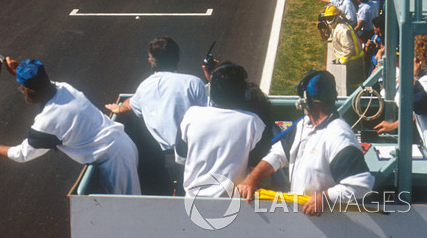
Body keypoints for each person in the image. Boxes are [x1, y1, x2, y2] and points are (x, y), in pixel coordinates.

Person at [0, 58, 140, 195]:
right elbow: (41, 82)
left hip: (116, 163)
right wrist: (19, 72)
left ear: (29, 92)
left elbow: (22, 154)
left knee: (128, 216)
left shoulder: (46, 122)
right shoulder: (65, 87)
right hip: (124, 144)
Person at [236, 71, 374, 216]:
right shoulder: (304, 124)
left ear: (307, 101)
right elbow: (278, 155)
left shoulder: (339, 137)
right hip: (301, 216)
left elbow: (361, 184)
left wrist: (325, 197)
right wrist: (252, 179)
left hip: (327, 221)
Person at [104, 36, 208, 194]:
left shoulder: (144, 88)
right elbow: (213, 112)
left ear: (150, 61)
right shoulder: (194, 83)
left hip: (166, 162)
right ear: (178, 59)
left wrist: (119, 109)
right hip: (199, 155)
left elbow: (129, 105)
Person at [174, 63, 266, 197]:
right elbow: (256, 168)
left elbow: (181, 158)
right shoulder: (254, 123)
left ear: (210, 91)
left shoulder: (190, 115)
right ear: (245, 93)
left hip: (192, 201)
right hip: (234, 204)